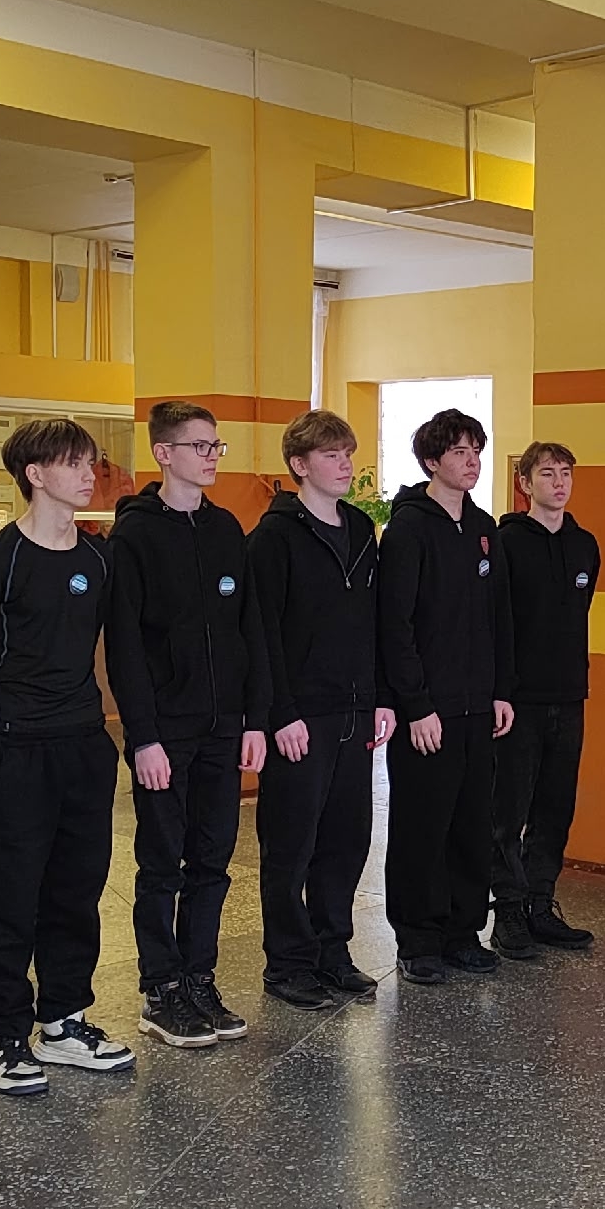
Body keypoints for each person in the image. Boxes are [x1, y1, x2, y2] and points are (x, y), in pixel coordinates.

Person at [0, 416, 132, 1094]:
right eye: (74, 463)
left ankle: (63, 1019)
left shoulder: (97, 559)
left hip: (82, 745)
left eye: (91, 462)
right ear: (35, 474)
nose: (90, 474)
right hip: (14, 749)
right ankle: (6, 1035)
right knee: (7, 895)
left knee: (76, 890)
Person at [108, 400, 269, 1048]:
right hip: (165, 731)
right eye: (199, 446)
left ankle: (200, 978)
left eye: (215, 446)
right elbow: (125, 647)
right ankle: (161, 989)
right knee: (161, 862)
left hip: (222, 727)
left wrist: (253, 719)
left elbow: (249, 630)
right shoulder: (135, 536)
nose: (211, 456)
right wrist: (143, 736)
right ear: (164, 453)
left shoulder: (226, 528)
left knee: (213, 857)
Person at [248, 409, 392, 1010]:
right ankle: (288, 963)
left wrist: (381, 696)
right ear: (300, 465)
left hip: (355, 709)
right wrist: (279, 713)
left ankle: (333, 950)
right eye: (332, 455)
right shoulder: (274, 537)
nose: (345, 465)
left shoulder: (359, 528)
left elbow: (373, 621)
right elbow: (262, 633)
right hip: (301, 715)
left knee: (347, 838)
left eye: (348, 454)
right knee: (291, 843)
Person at [378, 409, 515, 985]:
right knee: (422, 828)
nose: (472, 461)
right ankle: (418, 939)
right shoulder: (409, 529)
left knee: (471, 825)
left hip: (477, 708)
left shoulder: (484, 528)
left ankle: (463, 932)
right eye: (460, 452)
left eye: (476, 451)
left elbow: (499, 618)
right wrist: (416, 706)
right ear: (433, 461)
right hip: (428, 712)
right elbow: (396, 625)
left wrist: (500, 692)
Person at [490, 440, 601, 956]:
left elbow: (581, 607)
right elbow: (497, 621)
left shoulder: (585, 545)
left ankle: (540, 904)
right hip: (519, 701)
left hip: (569, 694)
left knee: (555, 807)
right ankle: (508, 912)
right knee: (508, 810)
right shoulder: (506, 542)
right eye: (548, 473)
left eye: (566, 473)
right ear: (525, 482)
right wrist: (501, 691)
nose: (559, 483)